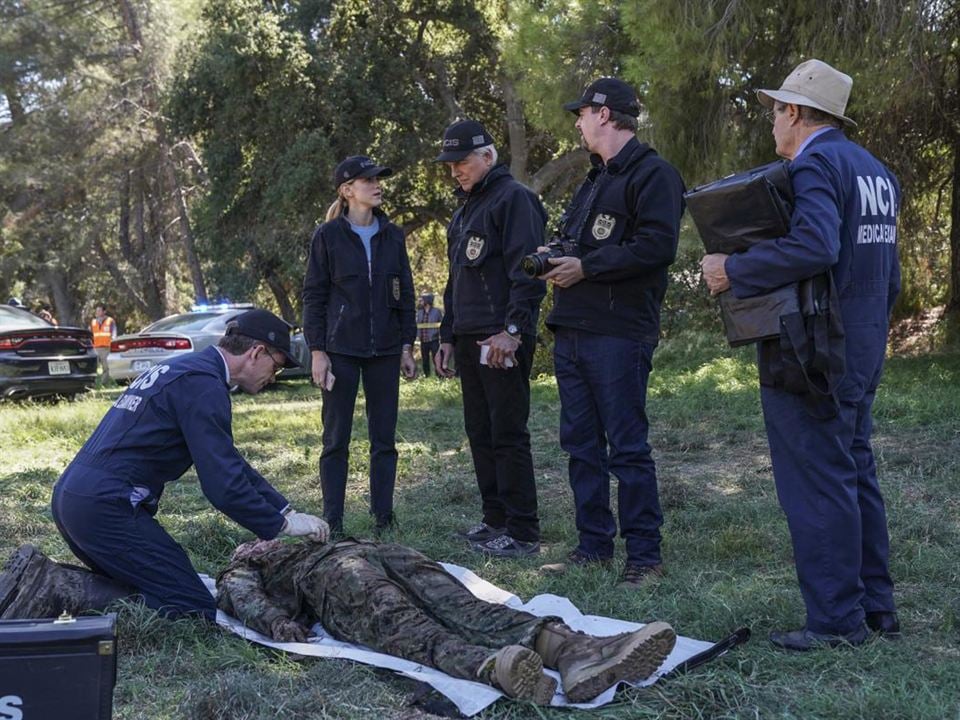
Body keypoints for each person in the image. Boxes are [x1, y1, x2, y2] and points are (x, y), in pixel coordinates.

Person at [700, 60, 901, 650]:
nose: (771, 124)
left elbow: (816, 243)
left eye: (774, 111)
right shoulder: (875, 170)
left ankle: (837, 623)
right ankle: (876, 609)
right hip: (861, 344)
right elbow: (884, 270)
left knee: (816, 480)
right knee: (853, 468)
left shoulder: (813, 162)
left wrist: (732, 268)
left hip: (814, 351)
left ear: (794, 111)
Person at [40, 309, 328, 621]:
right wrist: (279, 527)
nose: (274, 377)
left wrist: (285, 510)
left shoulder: (187, 369)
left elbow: (229, 461)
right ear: (257, 352)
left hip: (74, 498)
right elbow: (223, 486)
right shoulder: (204, 386)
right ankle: (51, 591)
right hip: (104, 507)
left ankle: (52, 584)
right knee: (191, 607)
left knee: (145, 583)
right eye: (278, 366)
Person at [216, 537, 678, 704]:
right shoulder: (243, 564)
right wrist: (277, 623)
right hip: (335, 572)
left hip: (367, 556)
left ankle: (577, 652)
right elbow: (240, 594)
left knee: (463, 611)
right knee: (416, 627)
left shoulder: (295, 540)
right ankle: (500, 665)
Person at [540, 79, 684, 585]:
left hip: (619, 332)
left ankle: (645, 558)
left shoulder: (655, 174)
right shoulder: (593, 178)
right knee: (580, 445)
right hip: (573, 326)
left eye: (580, 114)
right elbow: (575, 242)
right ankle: (593, 546)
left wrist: (588, 267)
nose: (577, 124)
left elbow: (658, 247)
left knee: (626, 447)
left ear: (603, 114)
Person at [433, 120, 547, 557]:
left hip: (500, 337)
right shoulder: (465, 209)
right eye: (450, 164)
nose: (455, 171)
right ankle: (495, 519)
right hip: (467, 336)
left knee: (507, 433)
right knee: (480, 432)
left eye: (461, 162)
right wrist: (446, 336)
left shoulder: (514, 199)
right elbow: (454, 279)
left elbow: (529, 272)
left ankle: (522, 531)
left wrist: (513, 330)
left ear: (488, 155)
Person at [302, 155, 417, 536]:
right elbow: (314, 296)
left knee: (384, 440)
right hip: (340, 352)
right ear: (347, 190)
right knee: (335, 439)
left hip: (385, 351)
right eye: (368, 180)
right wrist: (318, 351)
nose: (377, 184)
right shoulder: (327, 236)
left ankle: (383, 517)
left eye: (378, 179)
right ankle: (333, 521)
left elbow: (406, 294)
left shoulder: (393, 235)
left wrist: (406, 345)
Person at [416, 293, 443, 377]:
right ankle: (427, 376)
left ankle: (440, 377)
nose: (420, 301)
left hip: (434, 340)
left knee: (437, 359)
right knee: (425, 360)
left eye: (422, 300)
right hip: (423, 341)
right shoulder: (419, 312)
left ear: (427, 301)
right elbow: (417, 325)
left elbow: (441, 325)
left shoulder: (437, 312)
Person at [90, 304, 117, 384]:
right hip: (95, 347)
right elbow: (90, 334)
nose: (97, 312)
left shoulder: (110, 321)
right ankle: (93, 383)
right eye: (96, 311)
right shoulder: (93, 322)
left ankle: (104, 383)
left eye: (99, 310)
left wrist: (113, 340)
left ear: (104, 311)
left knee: (106, 367)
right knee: (93, 366)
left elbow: (114, 333)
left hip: (106, 347)